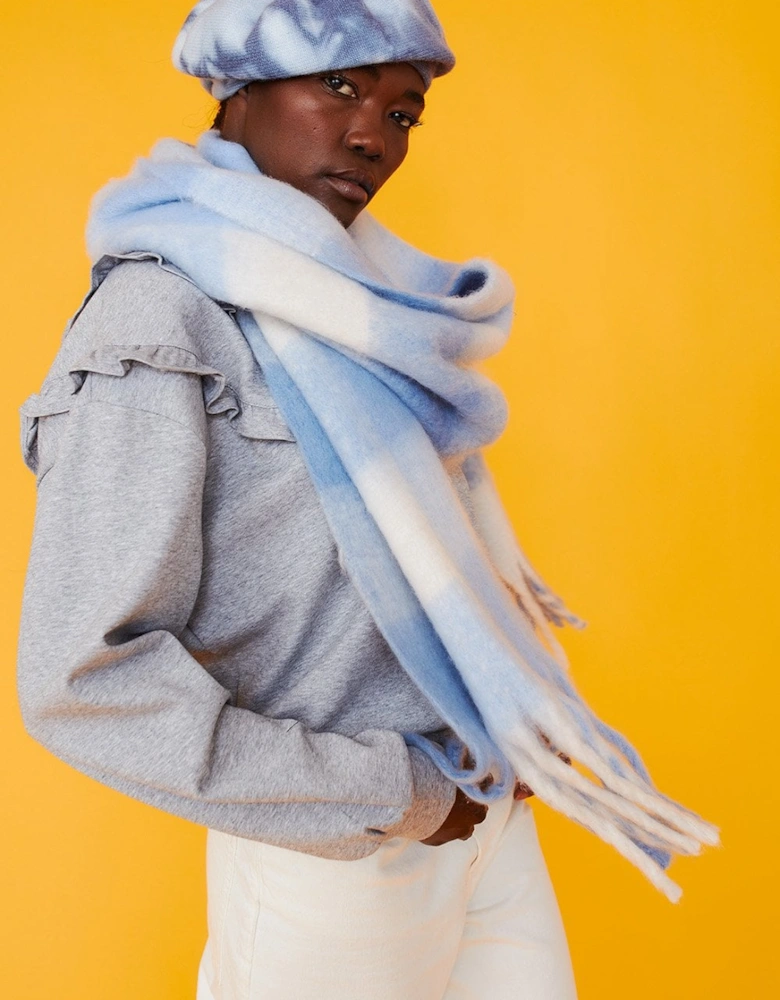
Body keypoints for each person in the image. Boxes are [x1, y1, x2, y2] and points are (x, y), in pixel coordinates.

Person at [17, 2, 718, 998]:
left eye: (404, 111)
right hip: (342, 863)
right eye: (340, 84)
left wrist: (497, 737)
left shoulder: (355, 306)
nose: (371, 135)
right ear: (237, 84)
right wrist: (399, 795)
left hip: (487, 815)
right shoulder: (157, 319)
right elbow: (79, 679)